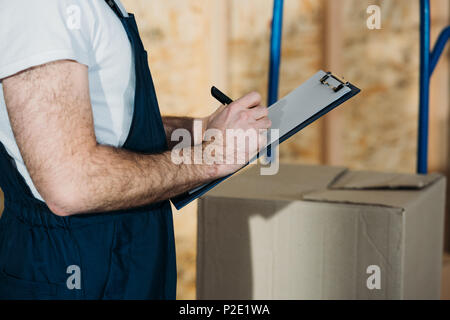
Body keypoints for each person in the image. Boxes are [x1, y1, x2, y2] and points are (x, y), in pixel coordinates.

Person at [0, 0, 271, 299]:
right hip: (76, 265)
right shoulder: (44, 8)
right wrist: (214, 156)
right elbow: (71, 184)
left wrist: (203, 131)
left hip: (123, 254)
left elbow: (108, 126)